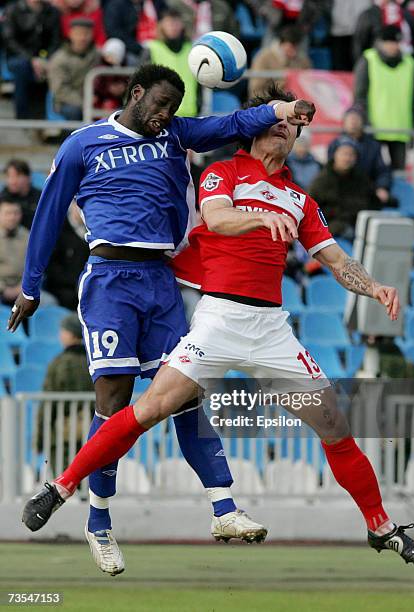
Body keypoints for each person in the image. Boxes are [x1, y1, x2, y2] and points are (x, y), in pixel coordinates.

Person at [22, 83, 414, 569]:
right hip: (218, 321)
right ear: (255, 130)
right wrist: (261, 222)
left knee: (334, 424)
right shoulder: (224, 173)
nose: (283, 131)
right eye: (275, 123)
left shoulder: (300, 199)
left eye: (290, 128)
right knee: (151, 407)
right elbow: (216, 219)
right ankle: (62, 485)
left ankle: (381, 528)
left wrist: (375, 286)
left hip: (272, 332)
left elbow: (336, 259)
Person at [9, 63, 314, 576]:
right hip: (109, 281)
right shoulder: (83, 145)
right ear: (135, 94)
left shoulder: (175, 133)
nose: (165, 116)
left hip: (162, 283)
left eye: (173, 109)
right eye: (159, 105)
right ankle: (99, 521)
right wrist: (30, 287)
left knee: (185, 395)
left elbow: (231, 125)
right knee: (115, 402)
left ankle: (224, 508)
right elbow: (46, 215)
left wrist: (282, 110)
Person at [354, 24, 414, 171]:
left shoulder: (409, 63)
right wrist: (363, 121)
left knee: (399, 175)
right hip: (373, 129)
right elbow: (359, 95)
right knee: (371, 172)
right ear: (380, 42)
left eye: (396, 42)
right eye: (390, 42)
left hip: (401, 129)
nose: (393, 46)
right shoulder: (368, 59)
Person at [37, 314, 94, 470]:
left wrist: (40, 438)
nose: (60, 335)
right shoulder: (92, 362)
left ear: (70, 334)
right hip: (89, 430)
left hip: (61, 434)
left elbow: (48, 402)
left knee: (63, 482)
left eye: (63, 331)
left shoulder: (59, 363)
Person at [309, 136, 380, 240]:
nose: (347, 158)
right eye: (344, 153)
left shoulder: (361, 178)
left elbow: (373, 202)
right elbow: (311, 210)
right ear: (334, 155)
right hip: (333, 230)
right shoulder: (322, 180)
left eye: (351, 154)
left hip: (359, 225)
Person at [2, 0, 61, 119]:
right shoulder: (13, 10)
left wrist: (45, 59)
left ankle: (47, 116)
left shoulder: (52, 11)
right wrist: (32, 59)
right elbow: (9, 40)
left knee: (58, 65)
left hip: (45, 58)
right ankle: (22, 116)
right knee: (22, 67)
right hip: (19, 57)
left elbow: (55, 40)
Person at [328, 106, 392, 205]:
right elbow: (329, 170)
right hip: (341, 191)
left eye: (356, 119)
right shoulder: (335, 144)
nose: (353, 122)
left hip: (366, 191)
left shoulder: (374, 146)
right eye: (350, 119)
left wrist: (382, 187)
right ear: (344, 122)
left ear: (363, 122)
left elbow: (383, 170)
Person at [147, 9, 198, 117]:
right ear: (161, 25)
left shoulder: (192, 49)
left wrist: (199, 104)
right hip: (161, 115)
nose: (173, 27)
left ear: (182, 25)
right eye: (169, 23)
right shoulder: (152, 48)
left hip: (190, 114)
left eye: (176, 23)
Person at [48, 18, 100, 121]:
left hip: (94, 99)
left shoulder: (98, 55)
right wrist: (85, 101)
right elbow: (60, 90)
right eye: (79, 34)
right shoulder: (60, 59)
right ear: (70, 34)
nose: (82, 38)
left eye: (87, 34)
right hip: (67, 102)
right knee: (74, 111)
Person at [45, 202, 90, 310]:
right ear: (72, 206)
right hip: (62, 288)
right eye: (80, 207)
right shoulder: (58, 228)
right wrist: (73, 281)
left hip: (86, 284)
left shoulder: (94, 230)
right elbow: (51, 266)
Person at [248, 24, 311, 96]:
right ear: (281, 43)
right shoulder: (264, 57)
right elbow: (255, 90)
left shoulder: (303, 60)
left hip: (297, 101)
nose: (294, 52)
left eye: (297, 47)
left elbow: (309, 87)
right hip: (270, 102)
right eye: (291, 47)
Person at [0, 199, 29, 307]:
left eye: (16, 213)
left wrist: (23, 288)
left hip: (24, 289)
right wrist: (3, 288)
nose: (12, 217)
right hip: (1, 288)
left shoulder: (28, 237)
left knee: (48, 302)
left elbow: (36, 268)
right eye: (8, 213)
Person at [0, 160, 42, 229]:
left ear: (28, 177)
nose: (12, 181)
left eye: (17, 176)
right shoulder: (4, 198)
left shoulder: (40, 197)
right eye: (9, 176)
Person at [94, 39, 129, 114]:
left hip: (117, 101)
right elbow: (97, 85)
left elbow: (127, 83)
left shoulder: (124, 70)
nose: (108, 57)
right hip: (101, 99)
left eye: (113, 55)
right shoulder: (100, 69)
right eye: (107, 54)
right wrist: (108, 89)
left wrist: (122, 88)